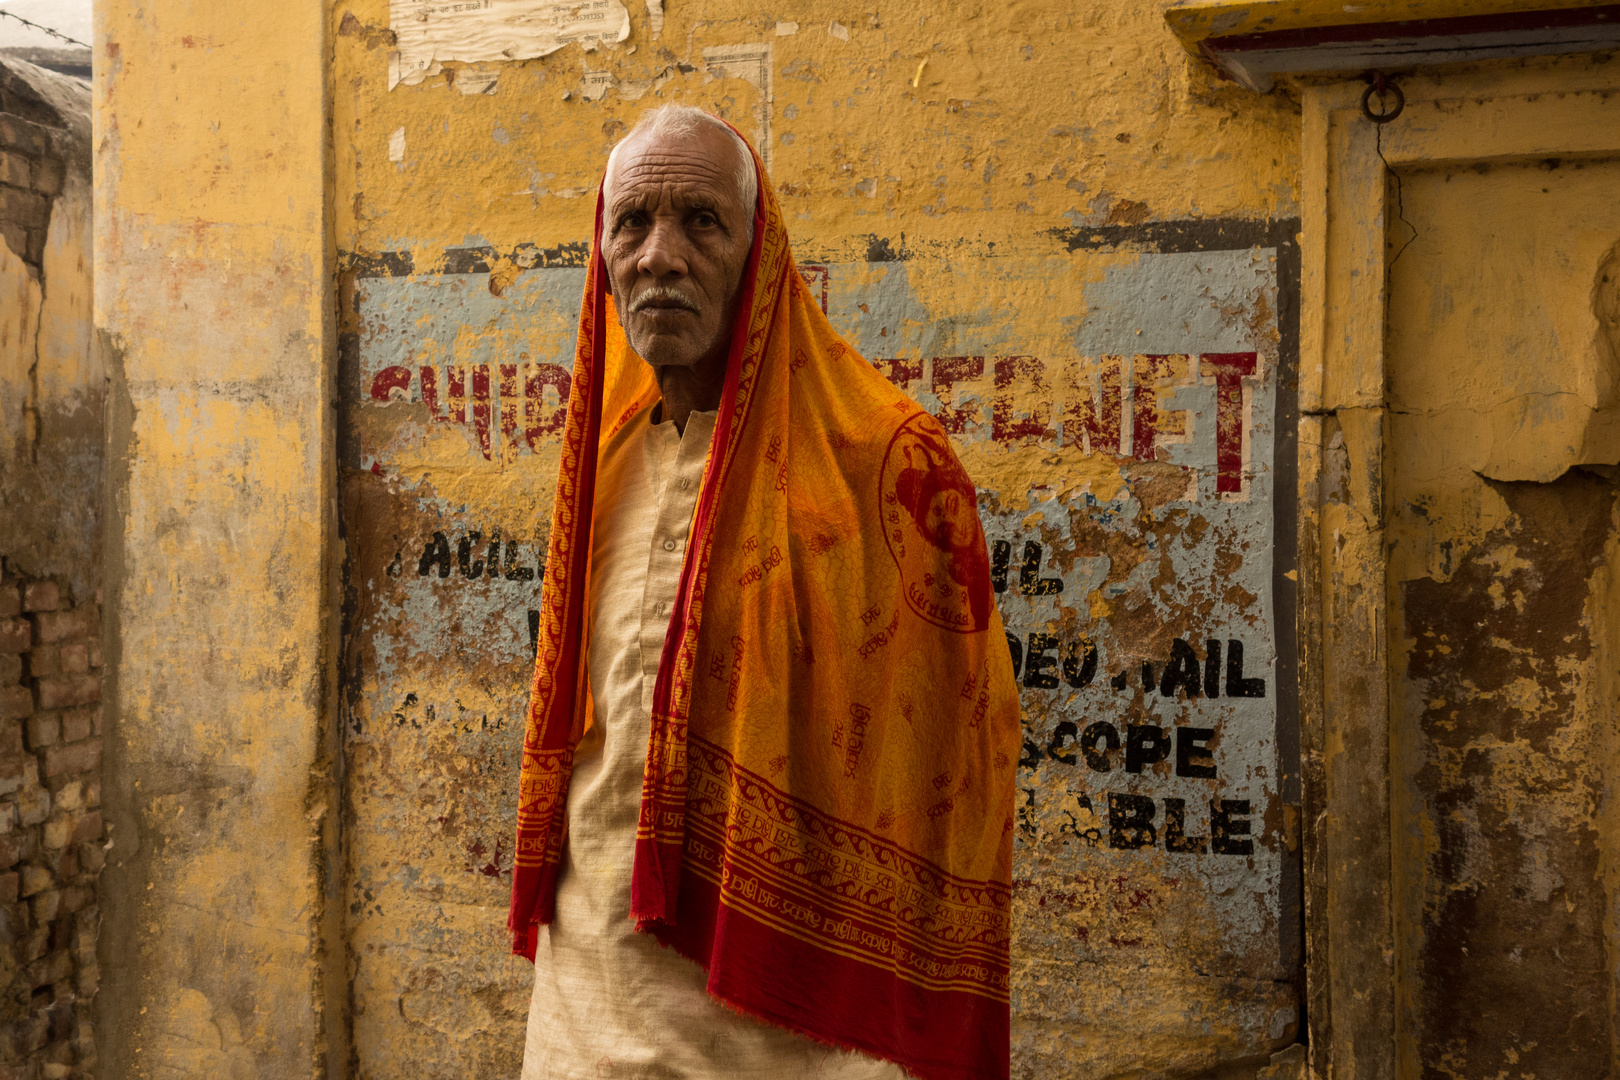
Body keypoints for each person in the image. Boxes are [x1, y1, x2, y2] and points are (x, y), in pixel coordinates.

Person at [508, 103, 1018, 1080]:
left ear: (760, 254)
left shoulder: (881, 462)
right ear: (603, 255)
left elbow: (957, 751)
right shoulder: (602, 470)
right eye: (632, 222)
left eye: (701, 221)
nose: (660, 254)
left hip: (791, 1031)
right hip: (590, 997)